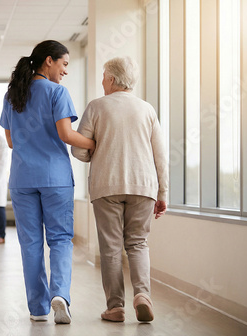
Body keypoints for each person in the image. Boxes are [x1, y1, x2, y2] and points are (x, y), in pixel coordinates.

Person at [0, 40, 95, 324]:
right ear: (49, 61)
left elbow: (11, 140)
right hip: (54, 178)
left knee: (30, 243)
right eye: (64, 64)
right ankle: (60, 296)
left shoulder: (12, 94)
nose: (65, 71)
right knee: (60, 239)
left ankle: (38, 309)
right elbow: (66, 134)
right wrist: (95, 142)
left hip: (22, 178)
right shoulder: (57, 92)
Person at [71, 56, 168, 323]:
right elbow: (160, 155)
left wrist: (101, 151)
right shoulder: (147, 109)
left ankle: (115, 307)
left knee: (111, 247)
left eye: (104, 76)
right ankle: (143, 296)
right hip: (143, 185)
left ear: (112, 79)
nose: (102, 80)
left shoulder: (97, 106)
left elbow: (79, 149)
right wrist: (163, 194)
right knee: (138, 243)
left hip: (107, 185)